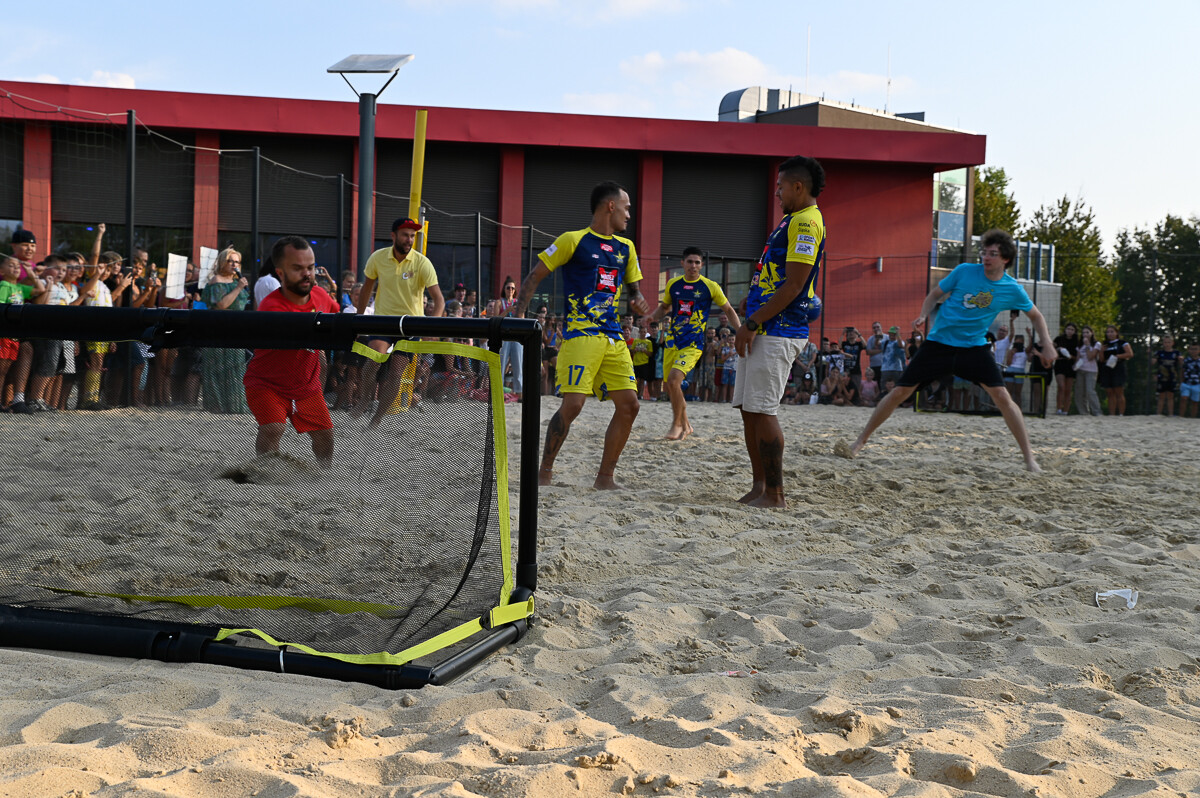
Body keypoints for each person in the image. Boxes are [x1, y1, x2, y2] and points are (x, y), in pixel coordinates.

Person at [844, 229, 1055, 472]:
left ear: (1005, 259)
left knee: (1003, 398)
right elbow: (935, 295)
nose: (986, 258)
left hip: (973, 348)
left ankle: (1030, 459)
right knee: (899, 392)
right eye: (984, 253)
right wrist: (924, 313)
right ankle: (859, 442)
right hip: (939, 344)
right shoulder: (964, 271)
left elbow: (1036, 316)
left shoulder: (1011, 288)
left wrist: (1047, 344)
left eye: (993, 254)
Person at [514, 180, 649, 490]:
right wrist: (520, 315)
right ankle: (544, 473)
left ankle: (605, 478)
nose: (629, 215)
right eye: (627, 208)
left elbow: (634, 291)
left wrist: (638, 301)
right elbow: (534, 277)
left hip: (614, 337)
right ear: (610, 206)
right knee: (574, 404)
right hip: (580, 335)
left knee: (630, 405)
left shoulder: (626, 248)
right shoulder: (571, 240)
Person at [734, 155, 826, 508]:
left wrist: (754, 322)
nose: (776, 192)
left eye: (780, 186)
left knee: (763, 409)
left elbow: (794, 284)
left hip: (778, 330)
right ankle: (760, 486)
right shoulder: (791, 221)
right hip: (765, 327)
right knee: (748, 408)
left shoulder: (806, 223)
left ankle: (775, 494)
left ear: (798, 186)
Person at [243, 237, 338, 468]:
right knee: (273, 427)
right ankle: (266, 471)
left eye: (310, 267)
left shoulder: (321, 297)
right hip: (266, 383)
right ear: (281, 273)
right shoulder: (271, 306)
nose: (307, 274)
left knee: (325, 435)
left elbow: (338, 316)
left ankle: (325, 474)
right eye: (297, 268)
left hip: (306, 386)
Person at [352, 217, 444, 427]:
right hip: (383, 319)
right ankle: (365, 398)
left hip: (412, 324)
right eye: (405, 234)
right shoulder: (378, 257)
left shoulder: (422, 262)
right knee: (373, 359)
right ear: (393, 235)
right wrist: (358, 319)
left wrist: (433, 325)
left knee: (396, 373)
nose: (409, 239)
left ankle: (377, 418)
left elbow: (439, 299)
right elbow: (366, 289)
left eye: (412, 235)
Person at [648, 246, 739, 439]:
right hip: (672, 343)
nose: (693, 265)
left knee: (674, 380)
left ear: (702, 265)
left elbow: (729, 309)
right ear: (682, 263)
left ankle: (677, 425)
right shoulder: (673, 284)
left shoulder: (710, 286)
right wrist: (650, 318)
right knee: (671, 386)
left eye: (697, 262)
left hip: (693, 344)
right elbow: (664, 307)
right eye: (690, 262)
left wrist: (741, 331)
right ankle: (686, 425)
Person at [200, 247, 251, 413]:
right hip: (218, 328)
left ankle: (235, 404)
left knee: (236, 366)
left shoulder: (239, 282)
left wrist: (240, 286)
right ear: (222, 262)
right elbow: (221, 305)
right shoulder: (217, 280)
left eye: (236, 261)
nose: (233, 264)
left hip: (235, 328)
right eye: (230, 261)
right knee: (217, 366)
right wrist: (238, 288)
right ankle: (217, 405)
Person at [495, 277, 523, 398]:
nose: (510, 290)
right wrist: (507, 311)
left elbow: (522, 320)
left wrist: (517, 312)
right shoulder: (499, 302)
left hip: (516, 336)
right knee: (501, 363)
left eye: (512, 288)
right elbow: (496, 319)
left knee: (518, 364)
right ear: (504, 289)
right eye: (508, 288)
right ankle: (498, 390)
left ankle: (520, 392)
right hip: (504, 336)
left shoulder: (518, 303)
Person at [1098, 324, 1134, 416]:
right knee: (1109, 392)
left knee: (1119, 391)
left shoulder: (1122, 343)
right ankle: (1111, 414)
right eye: (1108, 332)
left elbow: (1129, 354)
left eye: (1112, 331)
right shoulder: (1105, 344)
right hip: (1107, 369)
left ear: (1116, 333)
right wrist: (1101, 351)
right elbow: (1101, 360)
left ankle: (1121, 413)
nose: (1110, 334)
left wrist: (1118, 356)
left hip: (1118, 368)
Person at [1073, 325, 1102, 415]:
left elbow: (1090, 357)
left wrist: (1088, 345)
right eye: (1083, 332)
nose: (1085, 334)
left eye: (1087, 332)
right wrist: (1075, 365)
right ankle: (1083, 412)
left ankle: (1097, 411)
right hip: (1080, 370)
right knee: (1079, 392)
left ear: (1092, 333)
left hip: (1091, 371)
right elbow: (1078, 357)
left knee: (1090, 391)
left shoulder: (1097, 344)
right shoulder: (1079, 345)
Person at [1052, 323, 1080, 415]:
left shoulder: (1076, 342)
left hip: (1070, 365)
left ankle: (1066, 410)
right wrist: (1058, 350)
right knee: (1061, 386)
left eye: (1072, 329)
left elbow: (1078, 357)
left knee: (1068, 389)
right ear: (1065, 329)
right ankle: (1059, 408)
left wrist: (1070, 356)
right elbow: (1051, 350)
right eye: (1068, 329)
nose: (1070, 331)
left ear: (1075, 331)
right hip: (1060, 364)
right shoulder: (1058, 339)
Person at [1153, 334, 1181, 417]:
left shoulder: (1176, 353)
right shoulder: (1159, 353)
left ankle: (1171, 414)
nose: (1167, 344)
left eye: (1169, 342)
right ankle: (1158, 414)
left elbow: (1181, 364)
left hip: (1172, 377)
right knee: (1161, 395)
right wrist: (1150, 355)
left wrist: (1181, 360)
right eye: (1165, 342)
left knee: (1170, 395)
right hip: (1162, 377)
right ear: (1163, 343)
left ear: (1172, 343)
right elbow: (1152, 363)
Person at [1180, 342, 1200, 419]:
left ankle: (1193, 418)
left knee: (1195, 401)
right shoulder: (1185, 360)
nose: (1193, 351)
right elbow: (1182, 371)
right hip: (1186, 383)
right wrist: (1181, 381)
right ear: (1188, 350)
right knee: (1184, 399)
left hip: (1197, 384)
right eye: (1192, 349)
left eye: (1195, 349)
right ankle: (1181, 417)